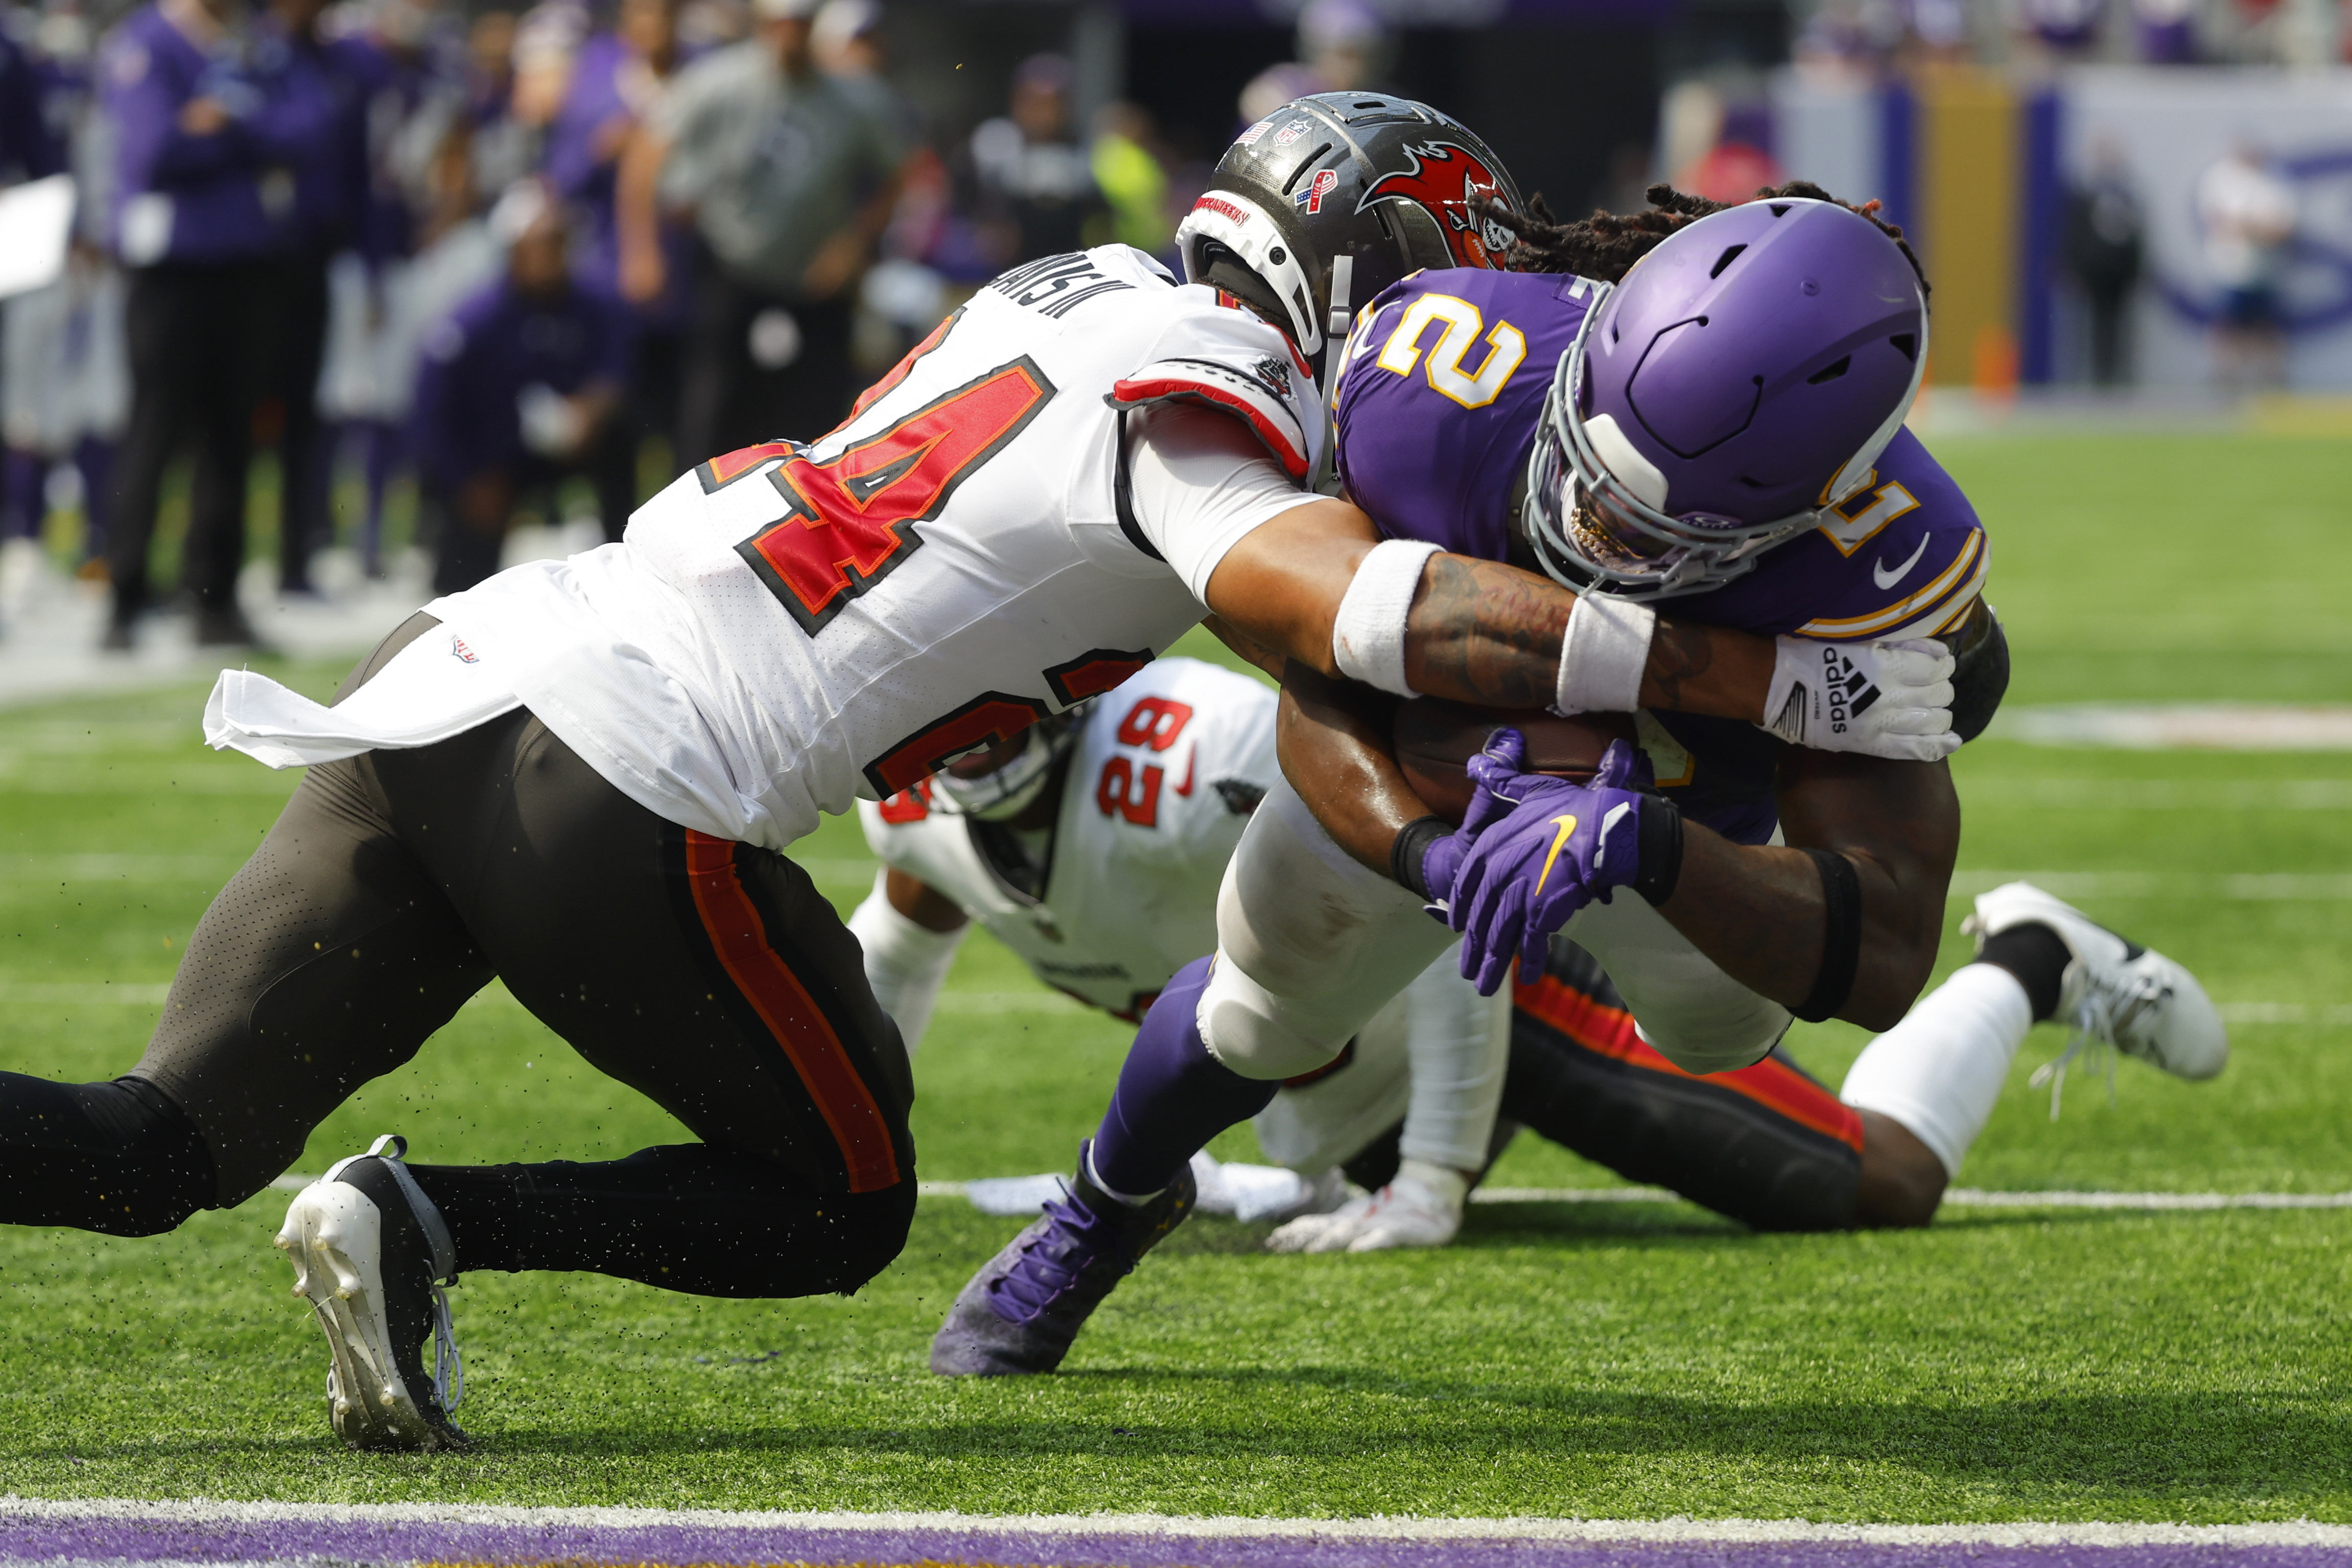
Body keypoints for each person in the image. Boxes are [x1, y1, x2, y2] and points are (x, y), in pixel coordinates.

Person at [0, 95, 1947, 1454]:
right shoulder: (1216, 409)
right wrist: (1734, 669)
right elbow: (1362, 620)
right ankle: (423, 1226)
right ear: (1370, 268)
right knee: (843, 1197)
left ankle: (380, 1219)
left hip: (463, 660)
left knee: (152, 1144)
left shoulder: (1062, 289)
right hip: (628, 773)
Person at [922, 175, 2198, 1376]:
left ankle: (2024, 952)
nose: (1594, 531)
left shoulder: (1885, 570)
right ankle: (1097, 1210)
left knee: (1715, 1032)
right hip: (1437, 748)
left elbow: (1879, 952)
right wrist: (1431, 853)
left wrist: (1649, 844)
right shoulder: (1428, 370)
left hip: (1683, 812)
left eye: (1652, 531)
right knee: (1260, 1003)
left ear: (1817, 503)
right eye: (1591, 477)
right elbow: (1317, 689)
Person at [852, 656, 1507, 1250]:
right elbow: (886, 965)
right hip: (1345, 1101)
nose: (971, 742)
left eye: (991, 718)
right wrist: (849, 1152)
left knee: (1610, 1114)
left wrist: (1433, 1175)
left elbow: (1432, 907)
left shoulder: (1190, 751)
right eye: (947, 719)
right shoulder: (913, 824)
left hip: (1508, 988)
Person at [97, 0, 327, 649]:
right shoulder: (146, 41)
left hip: (249, 264)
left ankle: (213, 596)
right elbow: (156, 148)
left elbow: (309, 129)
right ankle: (125, 593)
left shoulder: (258, 43)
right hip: (172, 269)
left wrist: (223, 126)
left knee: (232, 433)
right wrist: (245, 134)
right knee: (155, 428)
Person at [616, 0, 905, 459]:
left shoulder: (853, 99)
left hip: (813, 278)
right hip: (731, 264)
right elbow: (645, 156)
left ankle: (812, 515)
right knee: (716, 404)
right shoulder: (718, 82)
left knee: (819, 410)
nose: (791, 36)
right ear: (764, 25)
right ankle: (705, 510)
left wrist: (854, 243)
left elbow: (897, 172)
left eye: (802, 25)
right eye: (783, 24)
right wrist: (642, 252)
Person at [408, 180, 634, 592]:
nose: (555, 253)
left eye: (561, 240)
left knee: (623, 443)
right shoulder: (475, 321)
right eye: (544, 242)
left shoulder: (593, 305)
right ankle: (456, 597)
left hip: (569, 441)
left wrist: (593, 410)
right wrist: (467, 478)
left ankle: (627, 577)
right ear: (516, 249)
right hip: (495, 456)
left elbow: (616, 368)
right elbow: (434, 407)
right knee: (472, 519)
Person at [545, 0, 690, 542]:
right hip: (611, 286)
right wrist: (600, 149)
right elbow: (559, 179)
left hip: (687, 286)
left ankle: (682, 550)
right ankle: (614, 543)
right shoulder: (597, 78)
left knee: (685, 429)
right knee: (616, 427)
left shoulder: (701, 74)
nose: (653, 25)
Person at [966, 54, 1102, 271]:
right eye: (1035, 103)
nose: (1045, 115)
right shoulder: (995, 140)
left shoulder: (1084, 150)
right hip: (1006, 262)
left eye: (1054, 104)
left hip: (1065, 259)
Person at [2196, 139, 2294, 389]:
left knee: (2265, 328)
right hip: (2231, 268)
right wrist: (2254, 227)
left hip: (2264, 270)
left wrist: (2248, 227)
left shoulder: (2272, 185)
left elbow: (2280, 228)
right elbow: (2219, 223)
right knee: (2228, 326)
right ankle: (2228, 379)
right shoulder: (2221, 181)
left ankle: (2268, 380)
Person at [2063, 136, 2143, 388]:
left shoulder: (2127, 194)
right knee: (2097, 324)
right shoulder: (2086, 194)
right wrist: (2074, 266)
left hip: (2120, 269)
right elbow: (2075, 233)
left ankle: (2119, 374)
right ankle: (2099, 375)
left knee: (2121, 324)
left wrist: (2137, 267)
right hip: (2095, 269)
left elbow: (2137, 235)